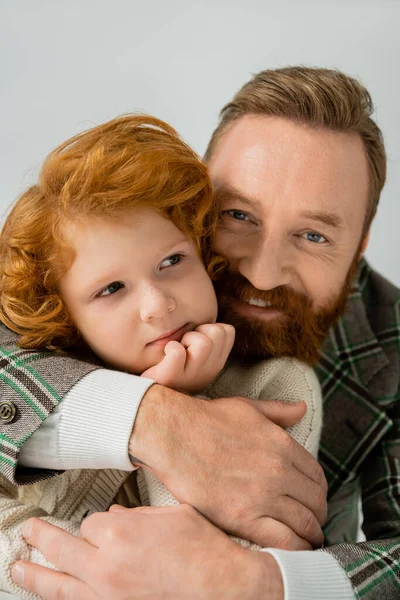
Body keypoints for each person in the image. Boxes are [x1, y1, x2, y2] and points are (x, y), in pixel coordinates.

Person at [1, 66, 398, 599]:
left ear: (362, 241)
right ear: (196, 199)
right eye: (238, 215)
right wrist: (153, 418)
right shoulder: (104, 242)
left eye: (313, 234)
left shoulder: (381, 347)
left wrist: (257, 583)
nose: (261, 272)